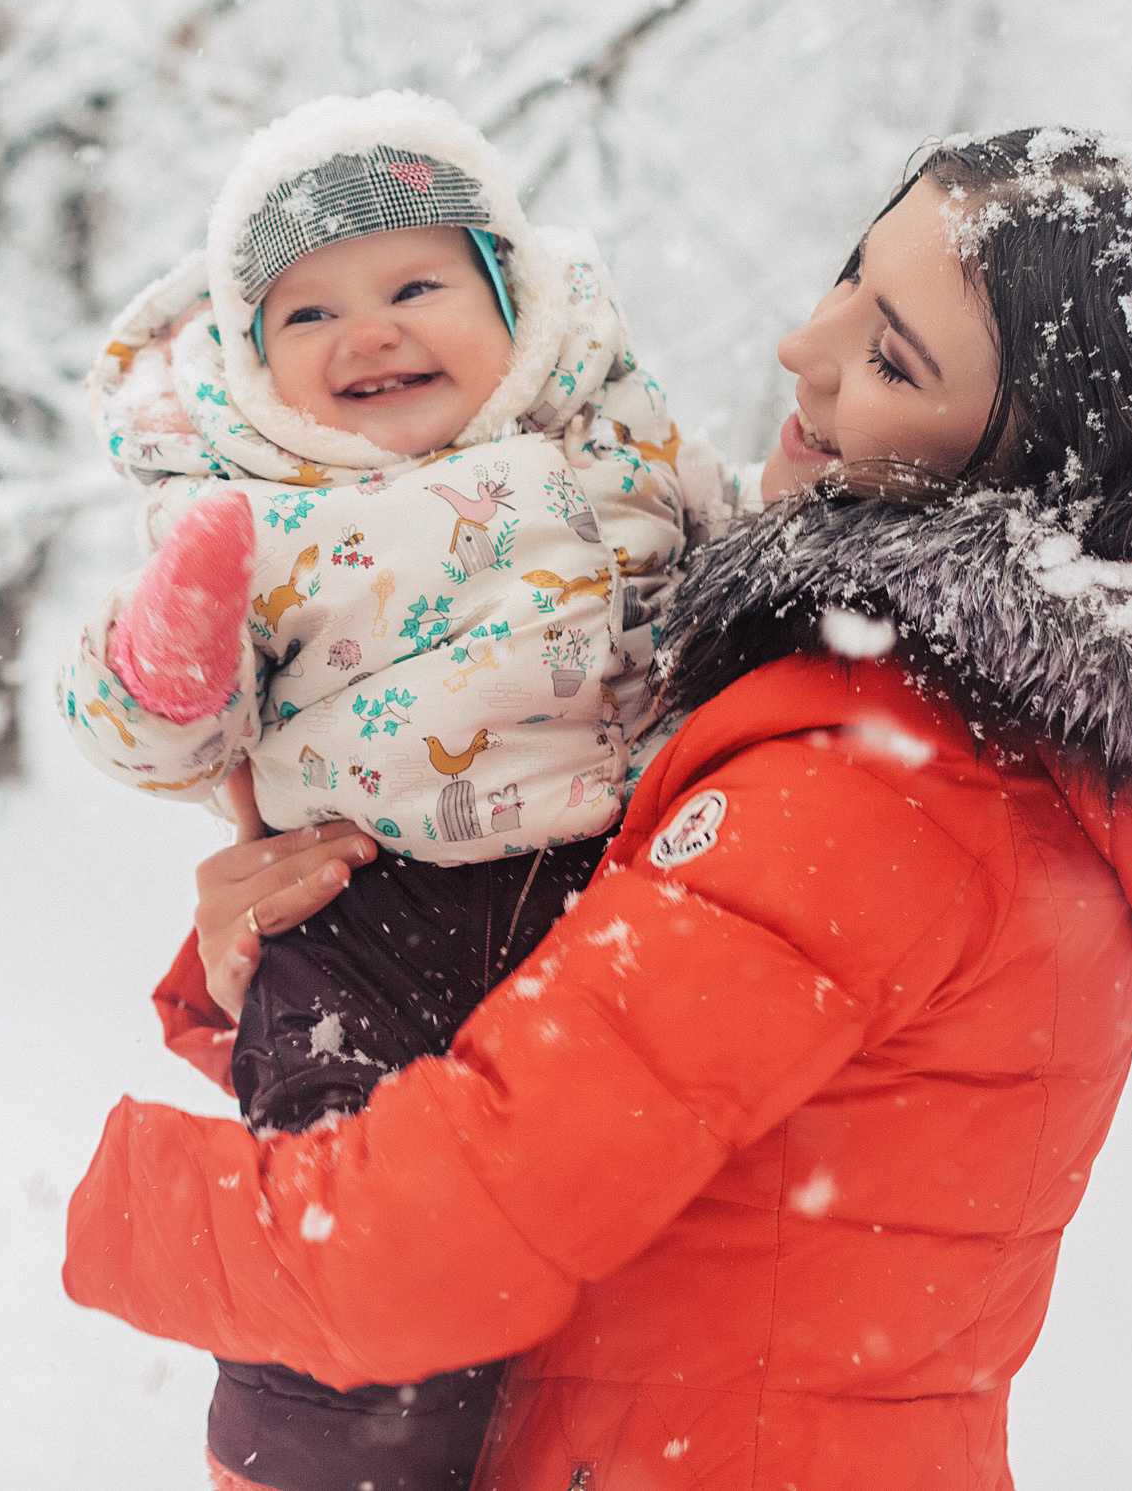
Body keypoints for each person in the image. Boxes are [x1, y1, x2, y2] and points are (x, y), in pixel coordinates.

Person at [64, 128, 1132, 1490]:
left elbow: (419, 1254)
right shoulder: (979, 738)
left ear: (1046, 467)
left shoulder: (878, 788)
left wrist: (124, 1214)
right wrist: (338, 927)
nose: (802, 349)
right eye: (846, 282)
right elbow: (618, 1091)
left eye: (892, 358)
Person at [57, 90, 745, 1491]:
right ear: (251, 372)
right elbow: (160, 740)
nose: (365, 333)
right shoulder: (260, 510)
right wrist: (168, 660)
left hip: (588, 895)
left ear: (521, 309)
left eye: (417, 285)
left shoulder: (606, 450)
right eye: (304, 318)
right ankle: (328, 1459)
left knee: (568, 1196)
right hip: (360, 916)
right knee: (342, 1219)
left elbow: (718, 568)